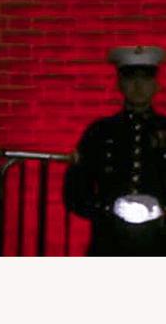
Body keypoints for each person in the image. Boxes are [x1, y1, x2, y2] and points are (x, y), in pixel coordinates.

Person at [64, 45, 166, 255]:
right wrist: (109, 209)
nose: (138, 86)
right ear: (119, 83)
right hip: (110, 240)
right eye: (130, 78)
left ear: (157, 85)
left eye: (146, 79)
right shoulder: (100, 131)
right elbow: (75, 191)